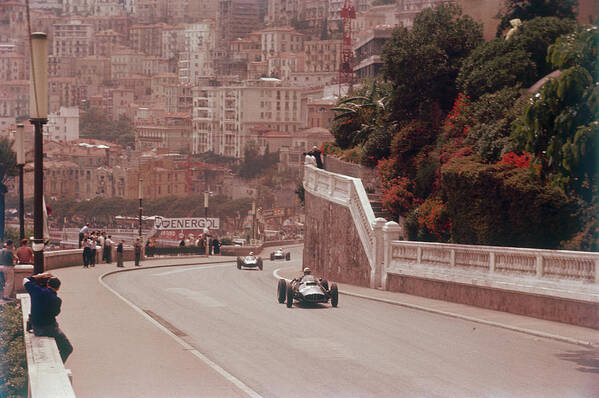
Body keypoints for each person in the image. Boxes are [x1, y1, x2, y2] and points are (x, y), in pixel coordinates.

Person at [24, 272, 73, 363]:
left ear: (47, 284)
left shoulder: (36, 291)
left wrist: (40, 276)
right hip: (48, 328)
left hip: (35, 326)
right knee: (68, 348)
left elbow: (26, 280)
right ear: (58, 288)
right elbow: (55, 313)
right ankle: (59, 364)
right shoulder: (57, 300)